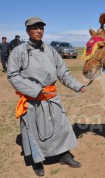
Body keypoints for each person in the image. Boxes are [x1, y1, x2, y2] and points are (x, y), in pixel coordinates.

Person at [7, 17, 86, 177]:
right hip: (32, 99)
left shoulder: (50, 50)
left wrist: (78, 86)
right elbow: (13, 75)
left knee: (61, 127)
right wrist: (35, 90)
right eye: (35, 28)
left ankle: (64, 155)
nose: (39, 31)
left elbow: (63, 73)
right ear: (28, 31)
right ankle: (37, 161)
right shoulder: (19, 51)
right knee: (34, 131)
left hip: (51, 97)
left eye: (41, 28)